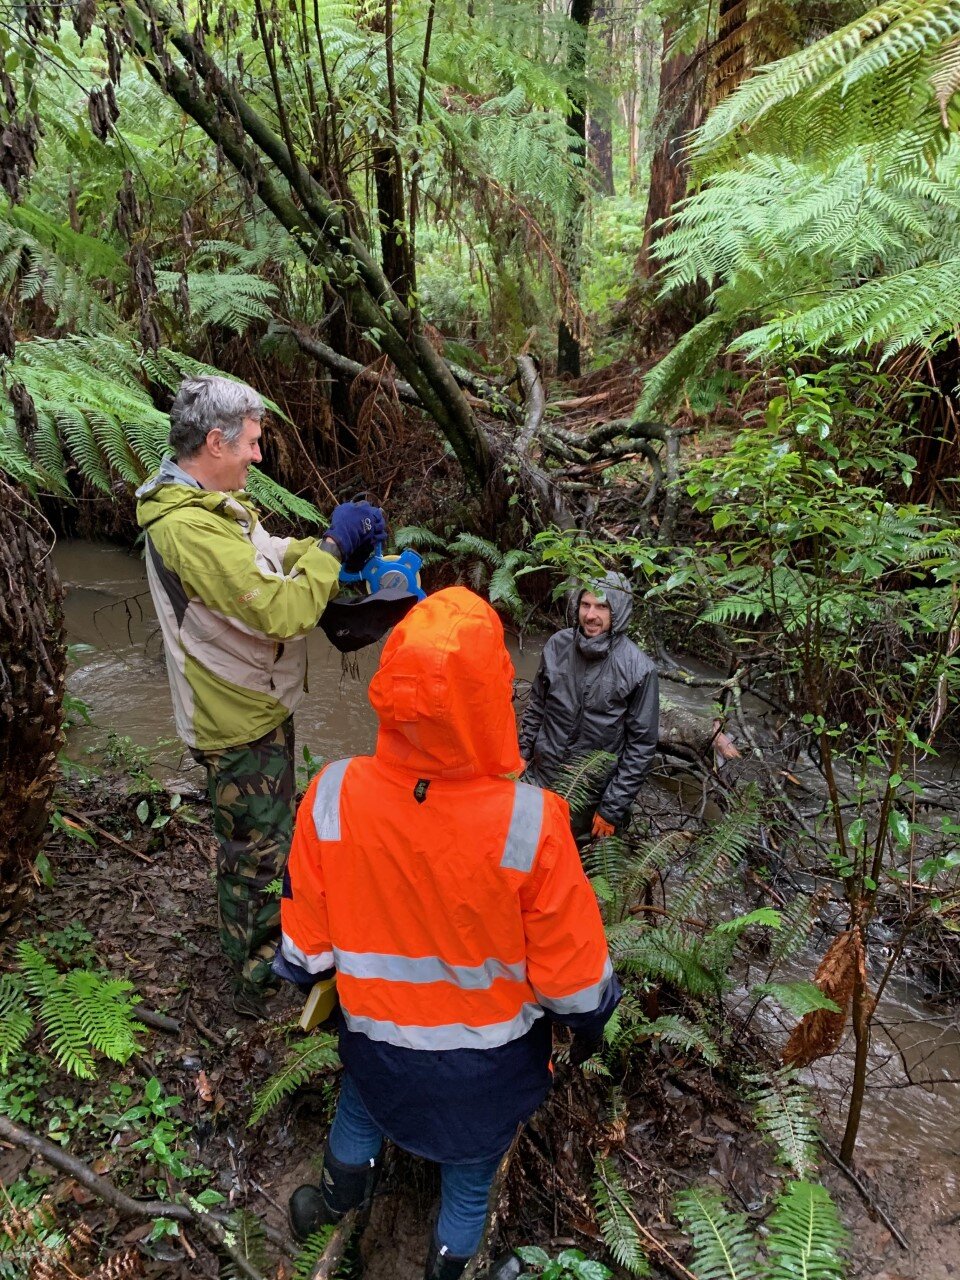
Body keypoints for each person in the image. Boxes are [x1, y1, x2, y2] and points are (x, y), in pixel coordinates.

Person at [274, 586, 619, 1280]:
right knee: (469, 1175)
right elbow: (578, 990)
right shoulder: (534, 820)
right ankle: (449, 1266)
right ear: (495, 695)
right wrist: (596, 1022)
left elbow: (304, 955)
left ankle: (334, 1197)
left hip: (374, 1049)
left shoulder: (333, 792)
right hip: (488, 1072)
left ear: (388, 685)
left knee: (361, 1108)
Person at [136, 374, 385, 1018]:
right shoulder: (187, 529)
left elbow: (268, 556)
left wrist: (337, 554)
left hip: (258, 704)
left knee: (267, 837)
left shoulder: (215, 505)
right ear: (215, 442)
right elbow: (280, 611)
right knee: (255, 854)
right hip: (235, 721)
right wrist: (330, 548)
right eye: (250, 443)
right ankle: (251, 981)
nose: (257, 455)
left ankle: (261, 950)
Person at [519, 571, 658, 838]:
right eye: (586, 605)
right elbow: (538, 704)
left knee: (568, 868)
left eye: (602, 606)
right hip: (539, 777)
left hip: (589, 795)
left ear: (618, 611)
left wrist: (612, 808)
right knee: (518, 856)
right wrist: (522, 753)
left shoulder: (639, 669)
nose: (591, 615)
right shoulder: (557, 646)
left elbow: (641, 746)